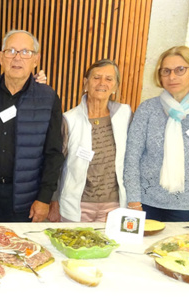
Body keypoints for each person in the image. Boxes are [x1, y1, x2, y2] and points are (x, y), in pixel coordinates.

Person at [0, 29, 64, 222]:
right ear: (0, 57)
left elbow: (54, 153)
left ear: (36, 59)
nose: (17, 58)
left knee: (22, 249)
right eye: (11, 51)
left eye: (25, 52)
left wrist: (44, 198)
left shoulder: (48, 99)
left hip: (26, 198)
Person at [124, 46, 189, 222]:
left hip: (187, 206)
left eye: (180, 70)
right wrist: (134, 201)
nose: (172, 77)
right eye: (166, 71)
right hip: (145, 203)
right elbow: (132, 158)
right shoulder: (147, 109)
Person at [48, 59, 132, 222]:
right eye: (96, 77)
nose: (102, 83)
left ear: (115, 86)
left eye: (109, 79)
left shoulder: (125, 115)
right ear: (86, 83)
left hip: (114, 206)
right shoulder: (68, 119)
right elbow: (56, 165)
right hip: (76, 205)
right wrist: (54, 202)